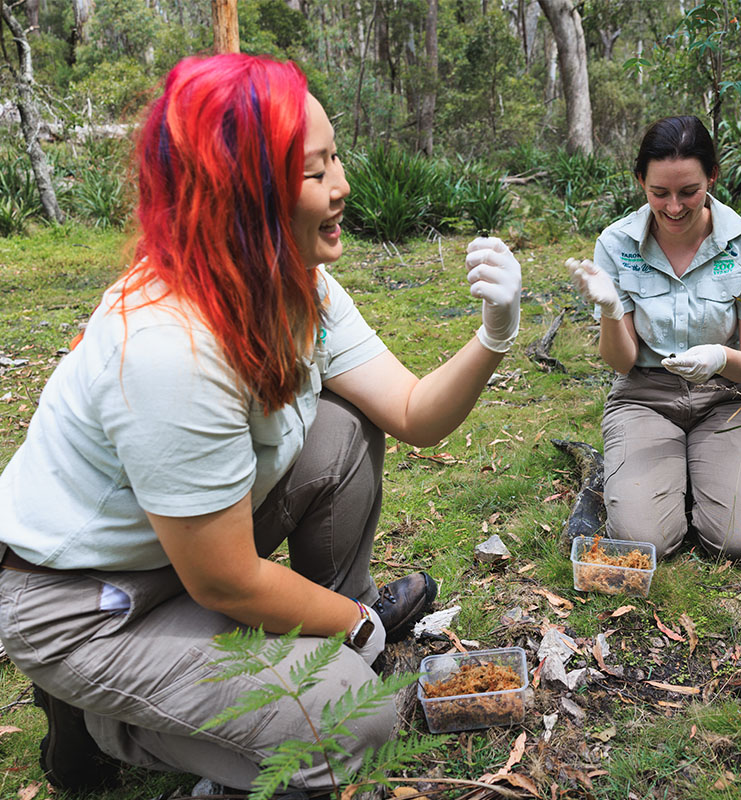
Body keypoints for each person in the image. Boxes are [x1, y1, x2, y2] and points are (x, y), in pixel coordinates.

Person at [0, 54, 521, 796]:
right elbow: (227, 580)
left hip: (183, 554)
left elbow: (413, 414)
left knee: (340, 434)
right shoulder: (167, 348)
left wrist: (495, 334)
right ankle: (105, 720)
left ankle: (313, 647)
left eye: (334, 157)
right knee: (351, 718)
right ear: (240, 194)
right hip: (88, 602)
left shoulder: (295, 281)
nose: (343, 186)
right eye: (314, 173)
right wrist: (349, 624)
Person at [566, 115, 741, 565]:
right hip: (644, 396)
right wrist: (610, 310)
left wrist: (721, 356)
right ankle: (660, 484)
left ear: (712, 177)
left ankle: (703, 474)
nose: (676, 207)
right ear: (640, 181)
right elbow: (621, 363)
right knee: (649, 544)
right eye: (659, 193)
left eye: (689, 191)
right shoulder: (617, 243)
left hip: (725, 397)